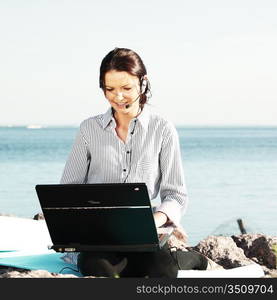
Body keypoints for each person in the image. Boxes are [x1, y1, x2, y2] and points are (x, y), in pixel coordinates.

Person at [60, 47, 208, 277]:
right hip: (99, 233)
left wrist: (154, 220)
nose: (118, 97)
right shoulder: (89, 130)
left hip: (145, 229)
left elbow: (175, 195)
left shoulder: (163, 130)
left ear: (143, 83)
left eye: (126, 88)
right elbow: (68, 191)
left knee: (162, 272)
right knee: (100, 271)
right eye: (109, 89)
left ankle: (184, 258)